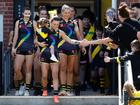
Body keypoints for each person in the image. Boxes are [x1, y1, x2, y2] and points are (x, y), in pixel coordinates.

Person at [35, 16, 81, 102]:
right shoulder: (44, 30)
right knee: (44, 76)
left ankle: (55, 95)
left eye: (57, 24)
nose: (56, 26)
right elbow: (35, 40)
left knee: (55, 75)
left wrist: (80, 42)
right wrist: (39, 44)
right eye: (54, 24)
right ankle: (44, 90)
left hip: (55, 55)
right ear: (50, 23)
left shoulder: (60, 32)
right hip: (44, 54)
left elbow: (70, 40)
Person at [58, 4, 82, 96]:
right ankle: (63, 89)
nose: (67, 14)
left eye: (69, 12)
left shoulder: (74, 22)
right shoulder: (58, 21)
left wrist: (81, 45)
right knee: (63, 68)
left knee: (70, 70)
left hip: (72, 47)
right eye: (65, 12)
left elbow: (78, 34)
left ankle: (69, 89)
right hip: (61, 48)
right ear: (62, 12)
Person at [12, 7, 36, 96]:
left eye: (28, 14)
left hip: (30, 48)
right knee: (17, 69)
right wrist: (13, 48)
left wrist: (35, 45)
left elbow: (36, 36)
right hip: (20, 48)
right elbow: (16, 35)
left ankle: (26, 89)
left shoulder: (33, 22)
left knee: (28, 71)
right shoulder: (18, 22)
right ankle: (22, 84)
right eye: (25, 13)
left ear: (30, 14)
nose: (27, 15)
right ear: (23, 13)